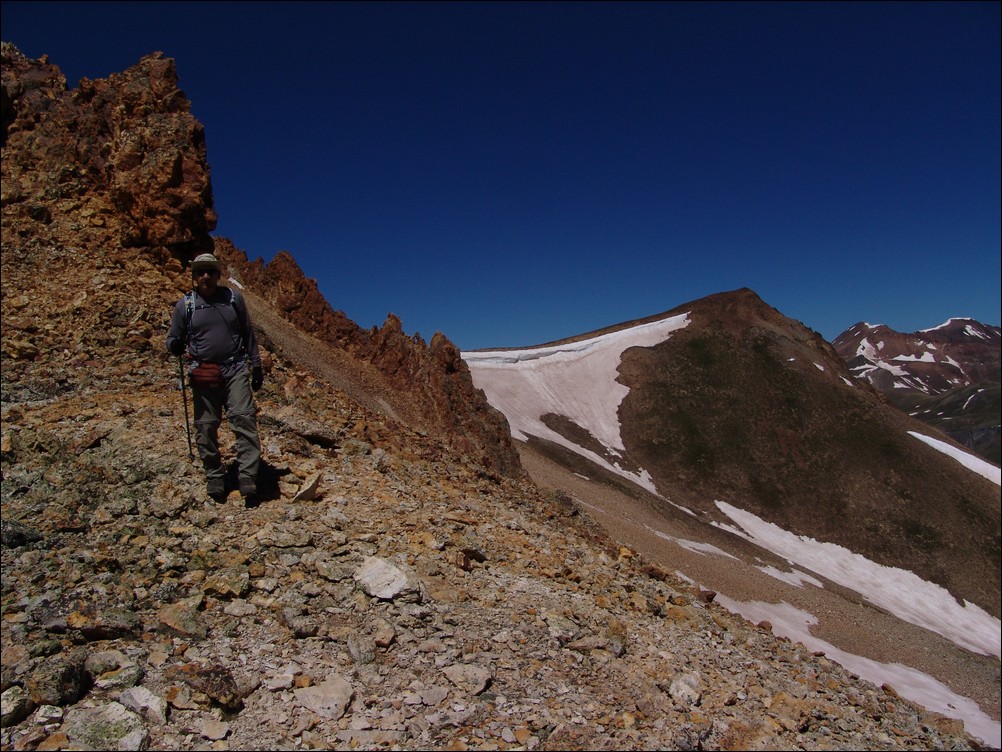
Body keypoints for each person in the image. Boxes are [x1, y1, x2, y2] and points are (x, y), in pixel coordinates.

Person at [166, 253, 264, 505]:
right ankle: (215, 477)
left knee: (243, 418)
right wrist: (175, 345)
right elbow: (172, 339)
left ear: (218, 274)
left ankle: (248, 478)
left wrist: (256, 365)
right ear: (194, 276)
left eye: (210, 271)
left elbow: (247, 333)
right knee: (206, 426)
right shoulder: (185, 306)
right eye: (200, 272)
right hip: (204, 373)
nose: (205, 276)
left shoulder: (233, 299)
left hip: (235, 368)